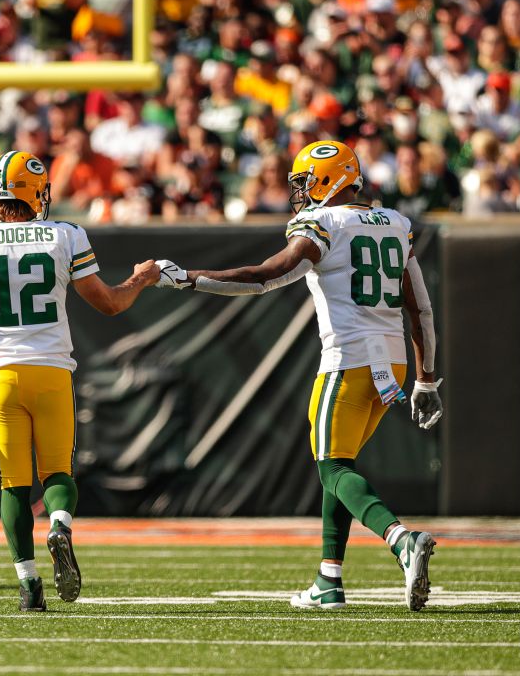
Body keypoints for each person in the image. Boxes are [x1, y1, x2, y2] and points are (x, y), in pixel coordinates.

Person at [151, 140, 443, 611]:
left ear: (332, 178)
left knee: (332, 468)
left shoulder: (324, 223)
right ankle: (329, 580)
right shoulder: (397, 223)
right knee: (339, 465)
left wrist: (190, 277)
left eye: (305, 181)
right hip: (392, 363)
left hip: (348, 360)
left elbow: (269, 275)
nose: (300, 191)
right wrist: (426, 377)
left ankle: (400, 539)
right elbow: (420, 308)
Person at [0, 150, 159, 612]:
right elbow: (110, 304)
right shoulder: (66, 235)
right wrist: (140, 280)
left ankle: (29, 584)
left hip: (3, 376)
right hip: (53, 371)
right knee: (57, 473)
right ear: (33, 191)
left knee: (13, 484)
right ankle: (59, 524)